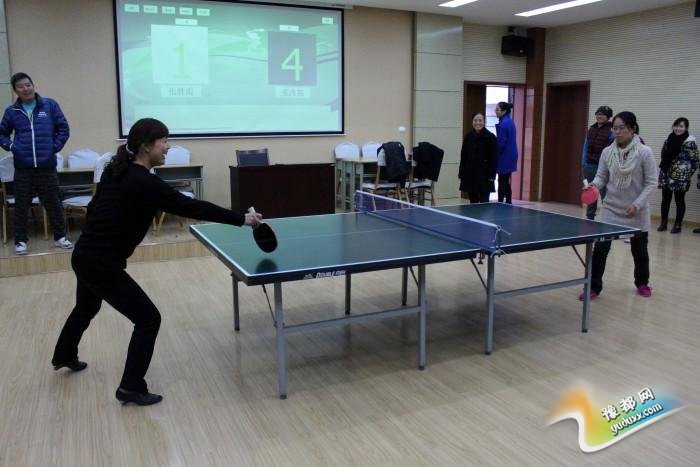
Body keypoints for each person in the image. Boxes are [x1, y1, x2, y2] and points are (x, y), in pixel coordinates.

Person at [51, 118, 263, 406]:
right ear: (145, 146)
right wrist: (241, 219)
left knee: (87, 307)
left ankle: (64, 354)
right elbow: (191, 206)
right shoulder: (144, 182)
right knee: (148, 319)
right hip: (101, 263)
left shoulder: (116, 171)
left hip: (84, 255)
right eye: (164, 141)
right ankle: (130, 387)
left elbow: (95, 207)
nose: (168, 147)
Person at [579, 111, 657, 301]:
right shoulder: (607, 152)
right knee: (600, 250)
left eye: (622, 128)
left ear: (632, 129)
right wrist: (593, 185)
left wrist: (637, 204)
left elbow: (651, 183)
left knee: (639, 251)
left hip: (636, 210)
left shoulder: (645, 152)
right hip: (611, 208)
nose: (618, 132)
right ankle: (593, 286)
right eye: (615, 128)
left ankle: (642, 283)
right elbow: (602, 176)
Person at [0, 72, 72, 255]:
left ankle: (60, 237)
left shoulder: (50, 105)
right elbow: (2, 134)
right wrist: (11, 146)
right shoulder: (12, 111)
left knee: (53, 203)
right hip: (23, 167)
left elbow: (63, 128)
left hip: (46, 165)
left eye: (28, 85)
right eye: (20, 86)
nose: (25, 89)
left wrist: (53, 147)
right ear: (15, 90)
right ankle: (20, 241)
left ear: (33, 85)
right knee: (21, 205)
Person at [657, 117, 699, 233]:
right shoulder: (669, 139)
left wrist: (686, 174)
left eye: (681, 126)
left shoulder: (690, 142)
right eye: (676, 125)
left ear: (686, 128)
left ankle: (678, 225)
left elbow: (695, 161)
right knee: (665, 199)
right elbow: (663, 154)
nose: (678, 128)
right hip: (666, 173)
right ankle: (663, 223)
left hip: (681, 177)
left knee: (679, 200)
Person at [581, 106, 614, 220]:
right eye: (598, 114)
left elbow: (612, 151)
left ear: (608, 117)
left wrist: (608, 167)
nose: (599, 116)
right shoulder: (591, 129)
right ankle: (590, 217)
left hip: (603, 169)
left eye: (602, 114)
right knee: (591, 194)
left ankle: (608, 218)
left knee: (605, 195)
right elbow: (585, 147)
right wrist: (583, 163)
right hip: (588, 167)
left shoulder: (612, 131)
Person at [459, 112, 498, 203]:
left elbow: (494, 158)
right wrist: (461, 173)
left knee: (484, 202)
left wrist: (492, 175)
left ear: (484, 122)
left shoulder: (491, 137)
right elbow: (463, 157)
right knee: (473, 202)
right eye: (475, 120)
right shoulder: (468, 137)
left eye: (480, 120)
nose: (477, 123)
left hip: (485, 176)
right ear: (472, 122)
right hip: (470, 174)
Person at [494, 102, 518, 204]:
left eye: (497, 109)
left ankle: (500, 202)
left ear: (504, 111)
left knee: (502, 180)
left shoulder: (503, 124)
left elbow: (501, 142)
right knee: (506, 179)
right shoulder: (510, 122)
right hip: (511, 154)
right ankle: (508, 202)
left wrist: (495, 154)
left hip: (505, 155)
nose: (495, 111)